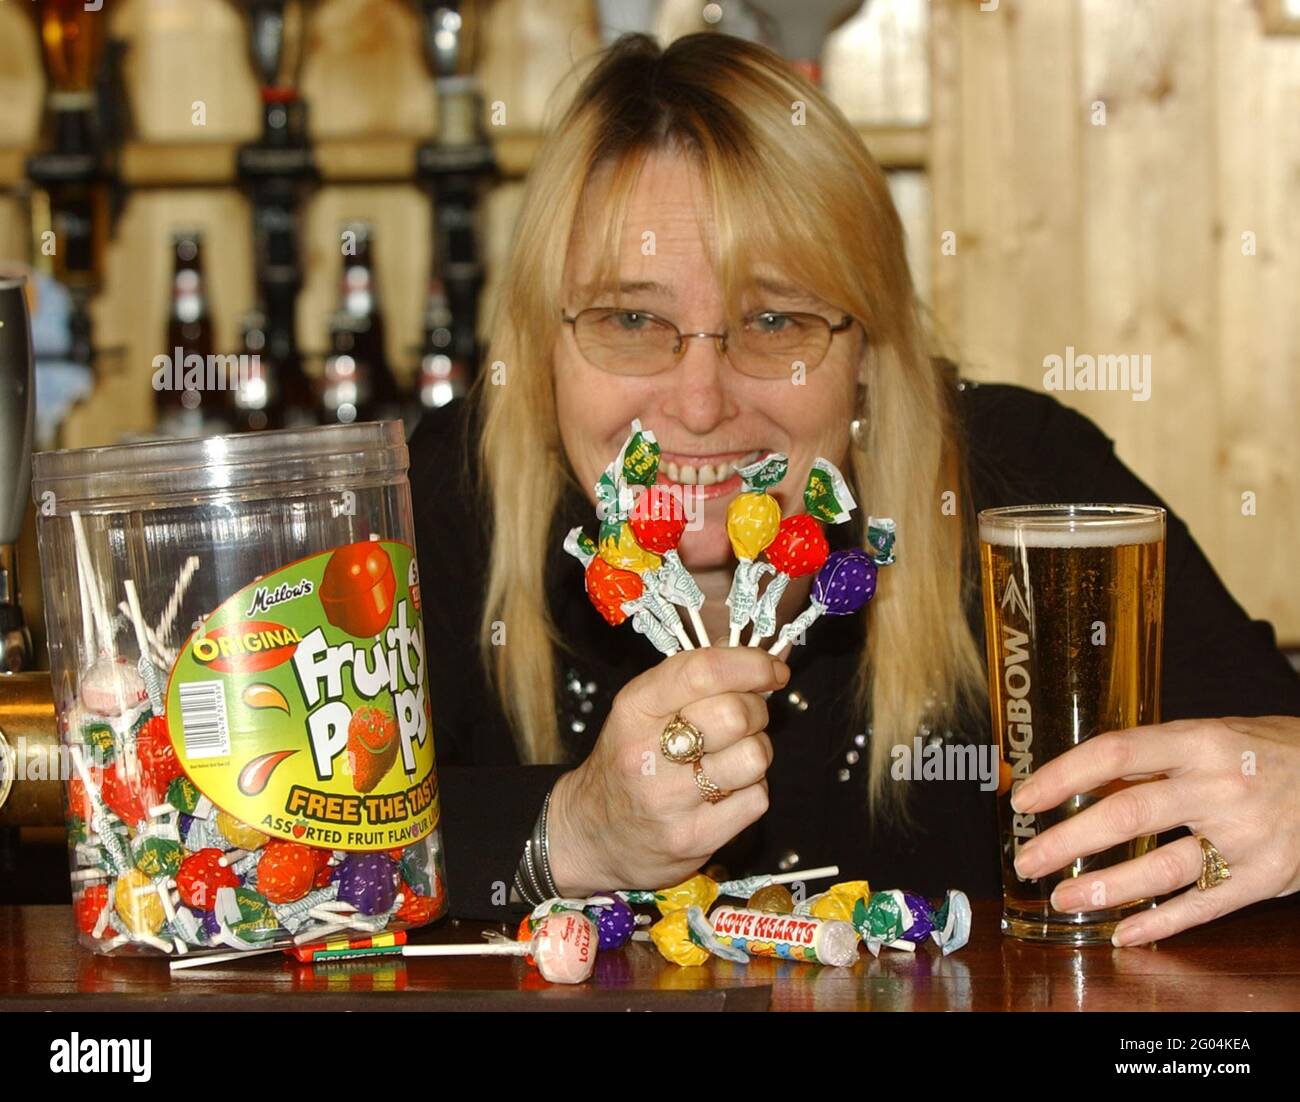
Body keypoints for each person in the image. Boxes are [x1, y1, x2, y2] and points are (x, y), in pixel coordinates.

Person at [409, 33, 1300, 945]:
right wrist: (574, 832)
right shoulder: (438, 501)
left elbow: (1271, 756)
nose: (701, 403)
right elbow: (268, 870)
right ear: (543, 346)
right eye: (632, 319)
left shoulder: (1022, 483)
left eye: (774, 320)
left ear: (866, 353)